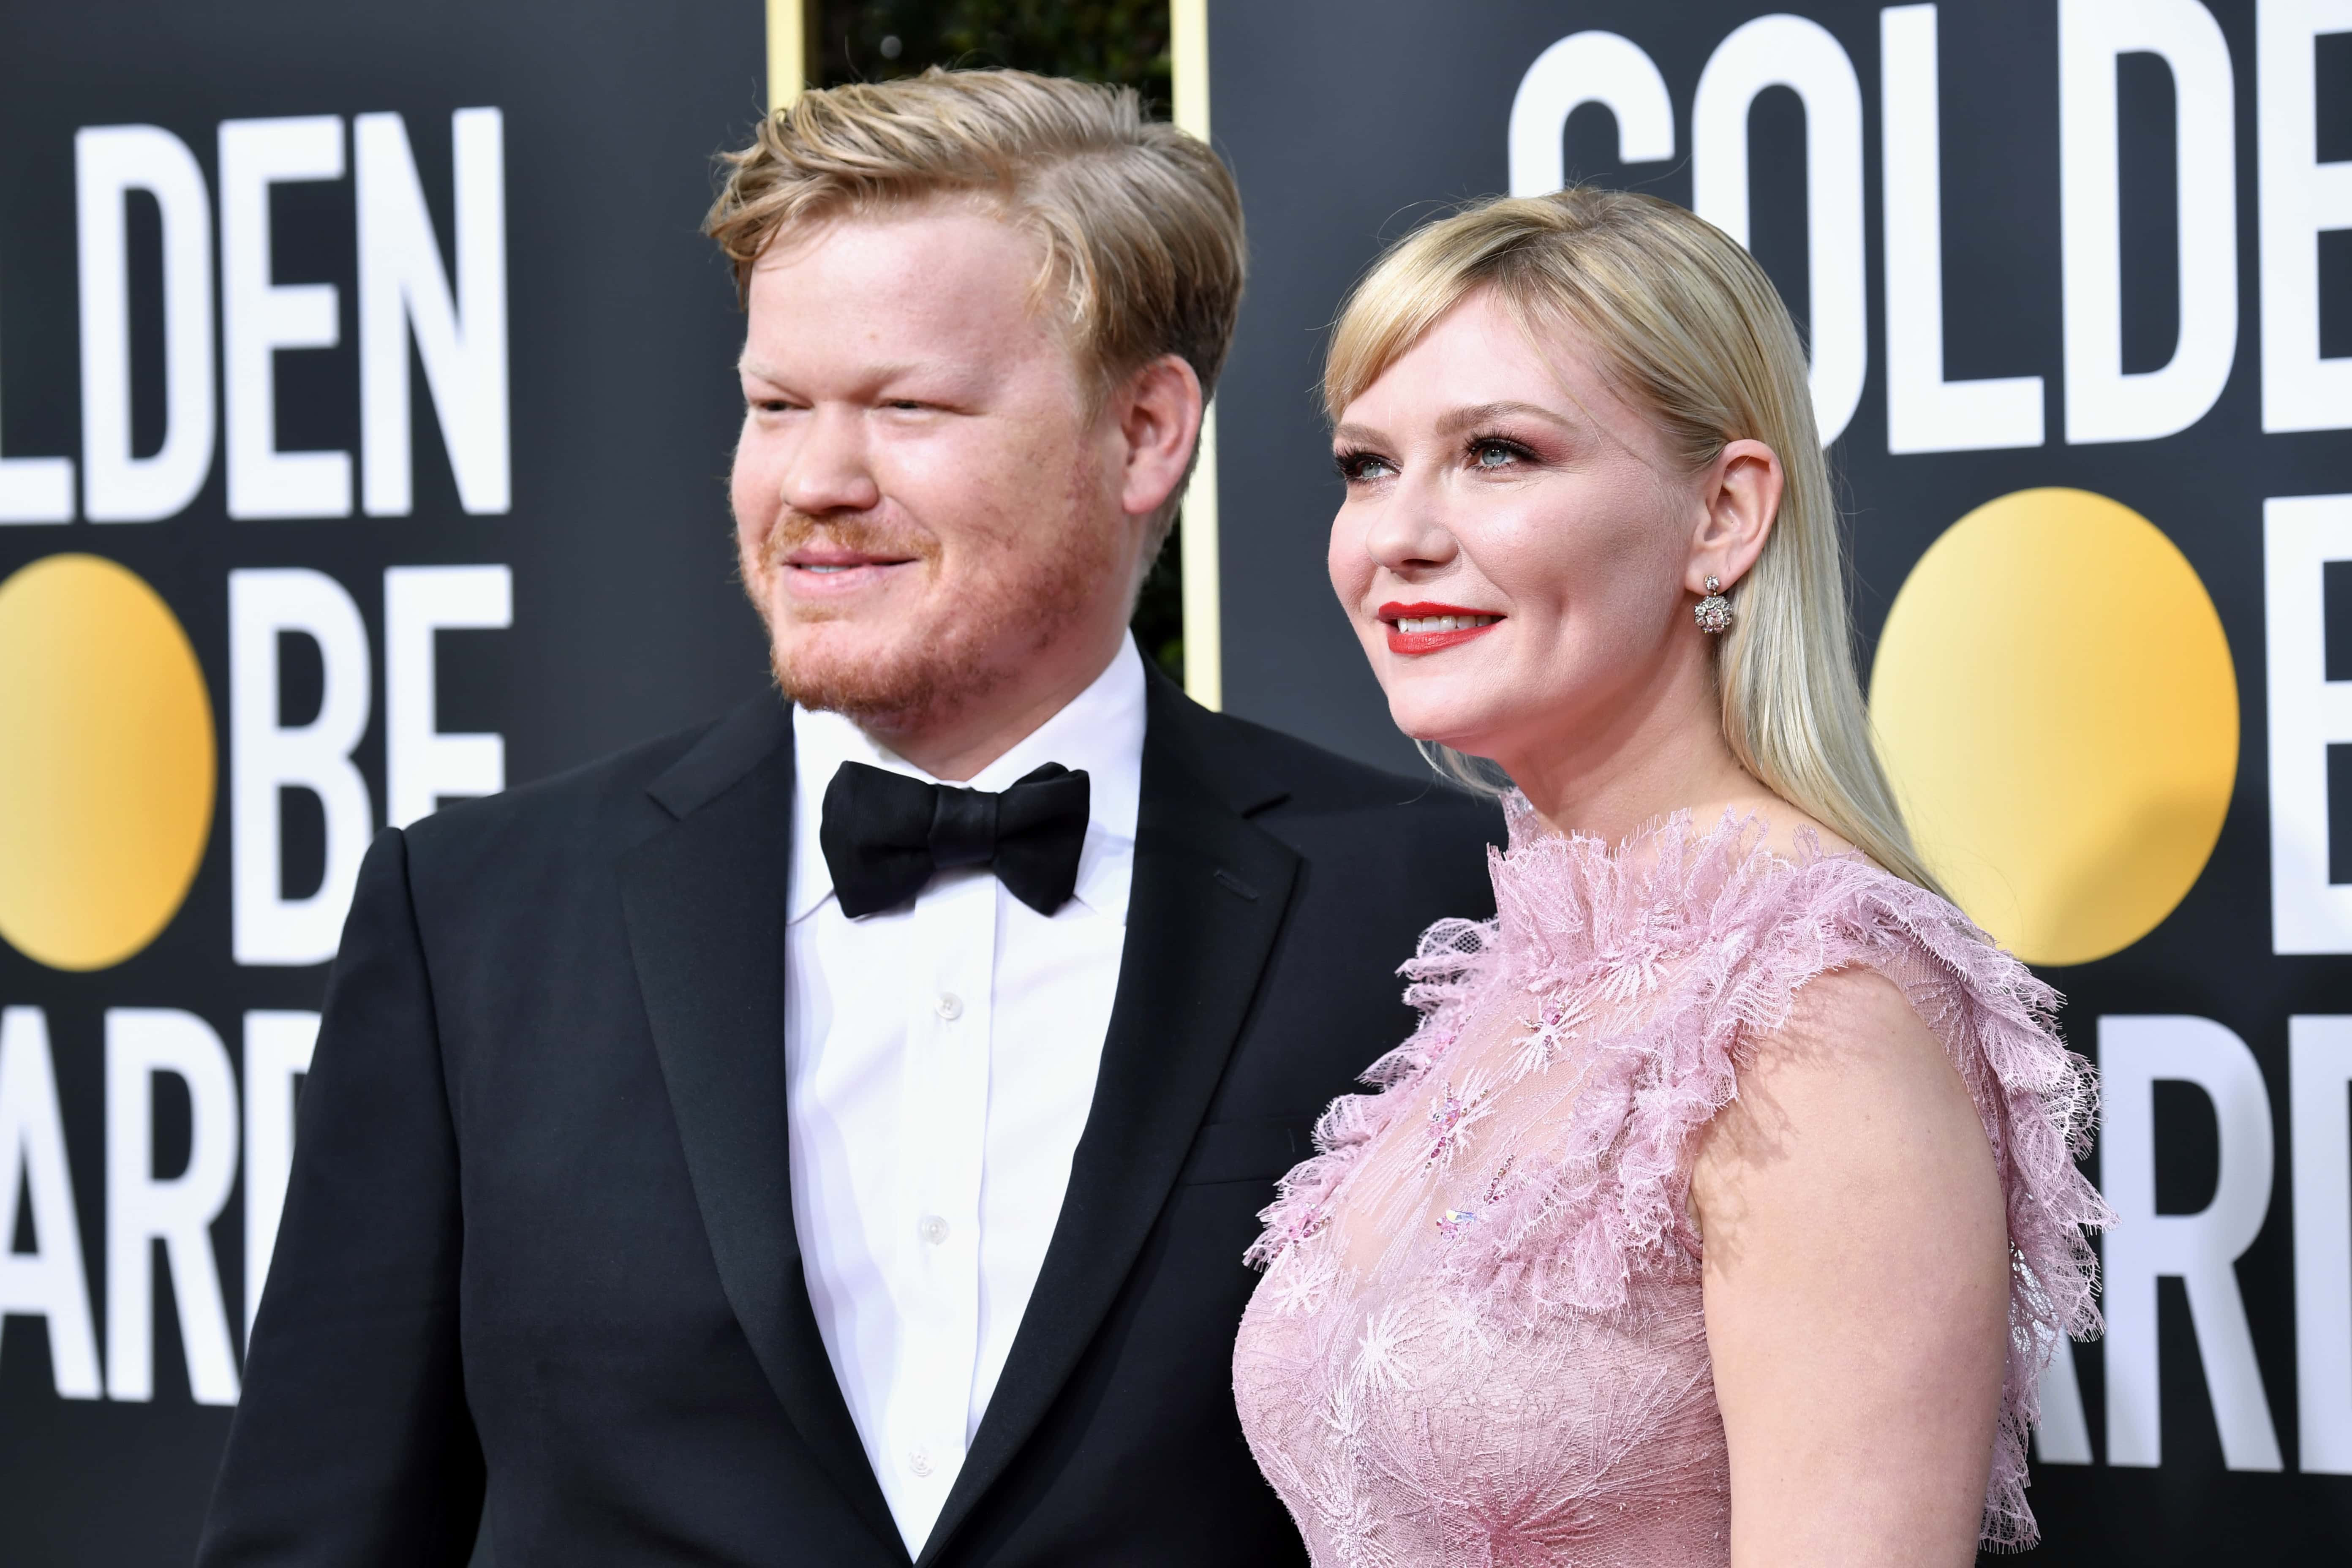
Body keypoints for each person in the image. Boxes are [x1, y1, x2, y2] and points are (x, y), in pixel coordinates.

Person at [196, 70, 1499, 1568]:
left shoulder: (1429, 907)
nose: (814, 481)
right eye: (775, 407)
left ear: (1147, 432)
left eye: (906, 407)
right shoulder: (476, 916)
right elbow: (318, 1527)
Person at [1231, 187, 2114, 1567]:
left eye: (1499, 454)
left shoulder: (1821, 1012)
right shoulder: (1514, 970)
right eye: (1366, 464)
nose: (1395, 534)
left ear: (1724, 514)